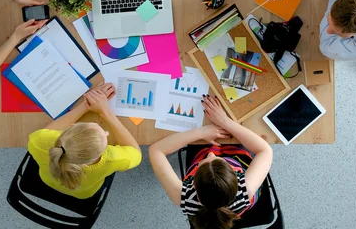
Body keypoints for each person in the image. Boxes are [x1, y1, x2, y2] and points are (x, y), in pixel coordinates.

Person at [149, 95, 273, 229]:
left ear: (194, 185)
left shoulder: (183, 196)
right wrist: (225, 122)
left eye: (205, 160)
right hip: (236, 156)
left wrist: (201, 132)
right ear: (236, 179)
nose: (211, 153)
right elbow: (265, 150)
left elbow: (155, 150)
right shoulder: (245, 189)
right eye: (216, 159)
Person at [28, 83, 142, 198]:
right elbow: (136, 153)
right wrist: (106, 112)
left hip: (48, 180)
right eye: (105, 135)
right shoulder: (112, 159)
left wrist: (86, 105)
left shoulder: (38, 142)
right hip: (83, 193)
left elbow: (46, 131)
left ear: (71, 127)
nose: (107, 132)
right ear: (102, 153)